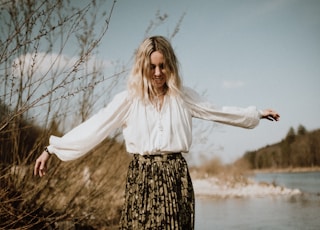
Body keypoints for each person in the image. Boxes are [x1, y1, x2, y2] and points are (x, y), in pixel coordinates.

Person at [34, 35, 280, 229]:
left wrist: (256, 113)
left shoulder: (182, 97)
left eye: (163, 66)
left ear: (170, 66)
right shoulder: (129, 100)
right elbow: (96, 126)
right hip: (143, 179)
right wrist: (52, 149)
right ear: (143, 67)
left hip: (176, 179)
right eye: (152, 67)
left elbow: (219, 112)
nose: (158, 73)